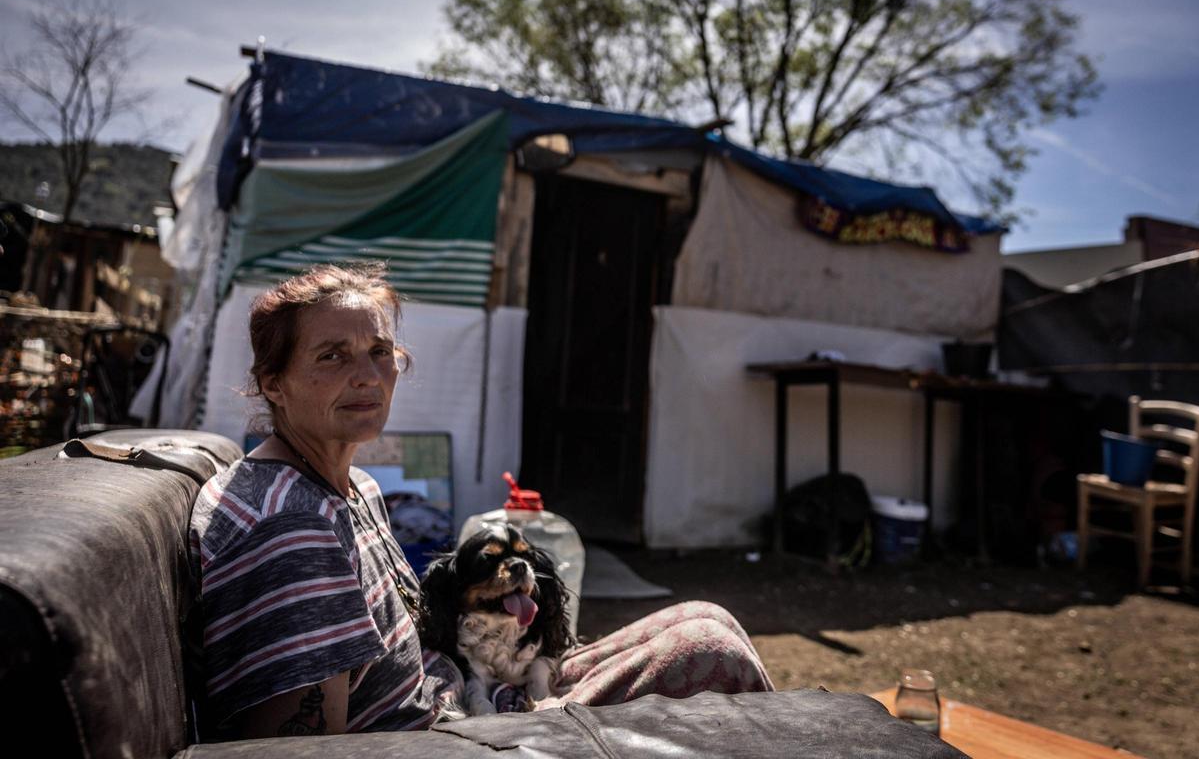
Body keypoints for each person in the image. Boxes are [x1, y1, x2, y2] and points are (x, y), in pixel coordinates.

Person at [188, 262, 772, 740]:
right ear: (273, 383)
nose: (368, 375)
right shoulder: (292, 530)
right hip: (438, 738)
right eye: (332, 356)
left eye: (380, 350)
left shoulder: (354, 487)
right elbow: (300, 749)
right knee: (715, 651)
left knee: (706, 616)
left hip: (466, 691)